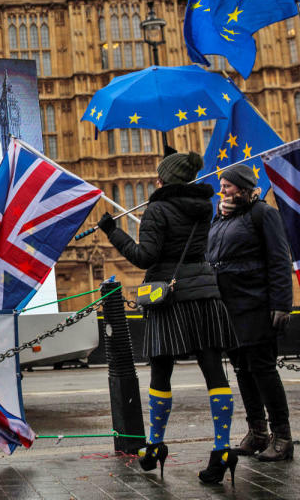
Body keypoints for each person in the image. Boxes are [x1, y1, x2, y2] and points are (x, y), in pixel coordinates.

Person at [97, 151, 239, 485]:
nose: (156, 180)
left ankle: (155, 446)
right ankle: (222, 451)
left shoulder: (157, 210)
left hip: (170, 299)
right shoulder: (204, 208)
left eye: (159, 176)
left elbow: (143, 257)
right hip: (204, 295)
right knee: (214, 371)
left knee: (161, 373)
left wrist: (112, 231)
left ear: (165, 180)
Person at [207, 164, 294, 462]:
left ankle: (282, 437)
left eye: (228, 186)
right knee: (243, 371)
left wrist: (282, 303)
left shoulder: (263, 214)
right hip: (229, 308)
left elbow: (280, 260)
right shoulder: (220, 219)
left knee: (264, 371)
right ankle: (257, 433)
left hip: (256, 305)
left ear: (243, 188)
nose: (223, 190)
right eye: (221, 186)